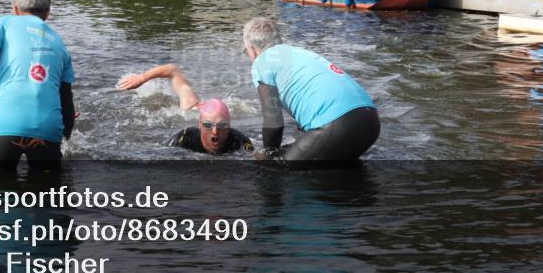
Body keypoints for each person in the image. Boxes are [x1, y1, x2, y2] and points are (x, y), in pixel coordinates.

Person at [242, 17, 380, 166]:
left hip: (338, 123)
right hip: (370, 121)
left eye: (246, 51)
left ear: (252, 49)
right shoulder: (299, 53)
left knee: (277, 167)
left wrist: (268, 153)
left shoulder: (261, 62)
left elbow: (273, 121)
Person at [0, 0, 75, 170]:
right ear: (47, 13)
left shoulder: (3, 23)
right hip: (47, 130)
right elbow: (66, 100)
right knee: (46, 196)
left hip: (5, 124)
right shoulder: (60, 43)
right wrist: (64, 135)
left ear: (15, 9)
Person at [117, 64, 254, 155]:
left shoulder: (239, 141)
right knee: (186, 94)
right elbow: (172, 69)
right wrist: (141, 78)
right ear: (199, 125)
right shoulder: (185, 137)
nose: (215, 131)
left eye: (222, 125)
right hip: (193, 109)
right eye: (207, 125)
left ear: (229, 126)